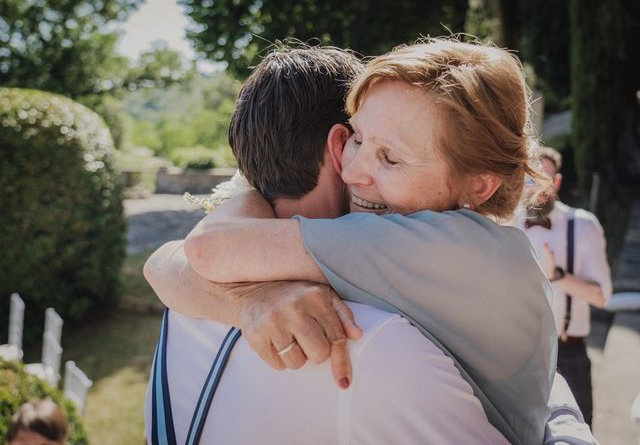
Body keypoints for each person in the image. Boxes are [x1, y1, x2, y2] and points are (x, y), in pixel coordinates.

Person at [147, 40, 596, 444]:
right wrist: (254, 301)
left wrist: (251, 184)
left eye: (390, 157)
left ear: (479, 185)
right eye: (358, 139)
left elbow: (204, 252)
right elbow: (165, 262)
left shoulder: (442, 250)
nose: (354, 170)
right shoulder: (452, 246)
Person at [516, 146, 612, 426]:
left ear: (557, 182)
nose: (537, 188)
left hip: (568, 353)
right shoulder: (507, 224)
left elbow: (602, 297)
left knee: (578, 430)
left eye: (545, 178)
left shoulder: (583, 226)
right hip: (519, 353)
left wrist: (559, 277)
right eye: (532, 178)